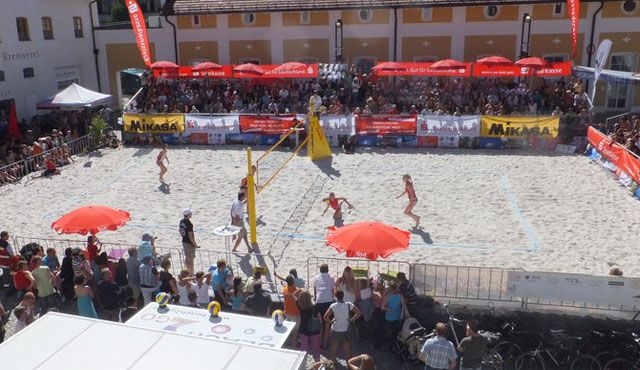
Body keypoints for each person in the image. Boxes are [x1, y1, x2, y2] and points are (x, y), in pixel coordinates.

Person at [324, 290, 361, 366]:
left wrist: (332, 321)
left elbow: (325, 317)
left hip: (336, 329)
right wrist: (352, 320)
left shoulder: (333, 306)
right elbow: (359, 313)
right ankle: (349, 363)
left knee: (334, 346)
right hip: (346, 329)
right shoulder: (348, 304)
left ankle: (332, 362)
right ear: (343, 296)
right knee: (347, 348)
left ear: (336, 296)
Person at [314, 263, 335, 348]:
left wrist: (315, 298)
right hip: (328, 302)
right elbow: (332, 290)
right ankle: (325, 344)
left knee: (320, 324)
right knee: (327, 324)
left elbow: (315, 290)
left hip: (319, 302)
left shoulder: (316, 277)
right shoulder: (331, 278)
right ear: (328, 270)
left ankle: (319, 343)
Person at [298, 290, 322, 362]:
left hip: (303, 330)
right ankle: (317, 364)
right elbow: (320, 319)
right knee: (316, 349)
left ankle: (301, 363)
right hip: (314, 330)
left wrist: (299, 290)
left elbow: (294, 296)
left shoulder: (299, 305)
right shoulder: (315, 307)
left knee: (303, 349)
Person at [381, 282, 406, 349]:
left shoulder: (387, 296)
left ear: (390, 289)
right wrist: (401, 315)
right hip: (397, 316)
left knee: (389, 332)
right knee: (396, 332)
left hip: (389, 317)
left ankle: (389, 346)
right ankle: (395, 345)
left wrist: (388, 308)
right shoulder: (400, 296)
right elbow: (403, 306)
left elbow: (382, 307)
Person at [283, 275, 301, 345]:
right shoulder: (297, 290)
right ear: (293, 281)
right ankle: (293, 346)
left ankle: (287, 343)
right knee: (295, 331)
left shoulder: (284, 289)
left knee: (288, 330)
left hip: (287, 312)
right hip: (295, 313)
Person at [179, 209, 198, 275]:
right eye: (190, 213)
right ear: (188, 215)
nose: (191, 214)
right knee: (191, 258)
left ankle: (187, 270)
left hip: (184, 241)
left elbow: (180, 230)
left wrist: (184, 236)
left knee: (187, 257)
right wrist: (195, 244)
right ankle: (191, 272)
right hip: (189, 243)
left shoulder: (181, 221)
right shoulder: (189, 224)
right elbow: (190, 235)